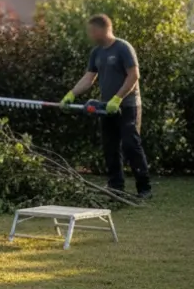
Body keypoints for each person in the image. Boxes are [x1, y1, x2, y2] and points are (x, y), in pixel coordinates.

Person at [60, 13, 153, 199]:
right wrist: (71, 94)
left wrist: (118, 98)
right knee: (110, 147)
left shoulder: (123, 48)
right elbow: (89, 78)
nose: (90, 35)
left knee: (130, 145)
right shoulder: (97, 53)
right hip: (106, 108)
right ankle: (115, 186)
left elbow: (134, 75)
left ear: (101, 30)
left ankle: (144, 188)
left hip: (127, 106)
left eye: (92, 31)